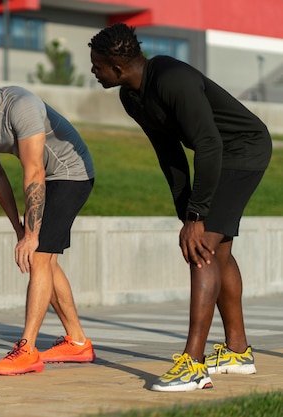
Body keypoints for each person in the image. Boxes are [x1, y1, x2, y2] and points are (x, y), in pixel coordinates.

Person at [89, 23, 271, 392]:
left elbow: (208, 145)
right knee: (214, 249)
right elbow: (168, 152)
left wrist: (197, 217)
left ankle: (193, 364)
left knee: (201, 248)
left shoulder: (172, 78)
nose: (93, 72)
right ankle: (237, 352)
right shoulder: (132, 97)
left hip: (243, 149)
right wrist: (185, 208)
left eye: (97, 66)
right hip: (219, 154)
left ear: (118, 68)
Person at [0, 57, 96, 375]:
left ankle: (27, 349)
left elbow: (34, 170)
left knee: (40, 256)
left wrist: (32, 233)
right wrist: (18, 225)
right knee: (46, 259)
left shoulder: (21, 105)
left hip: (71, 171)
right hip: (46, 179)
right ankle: (78, 342)